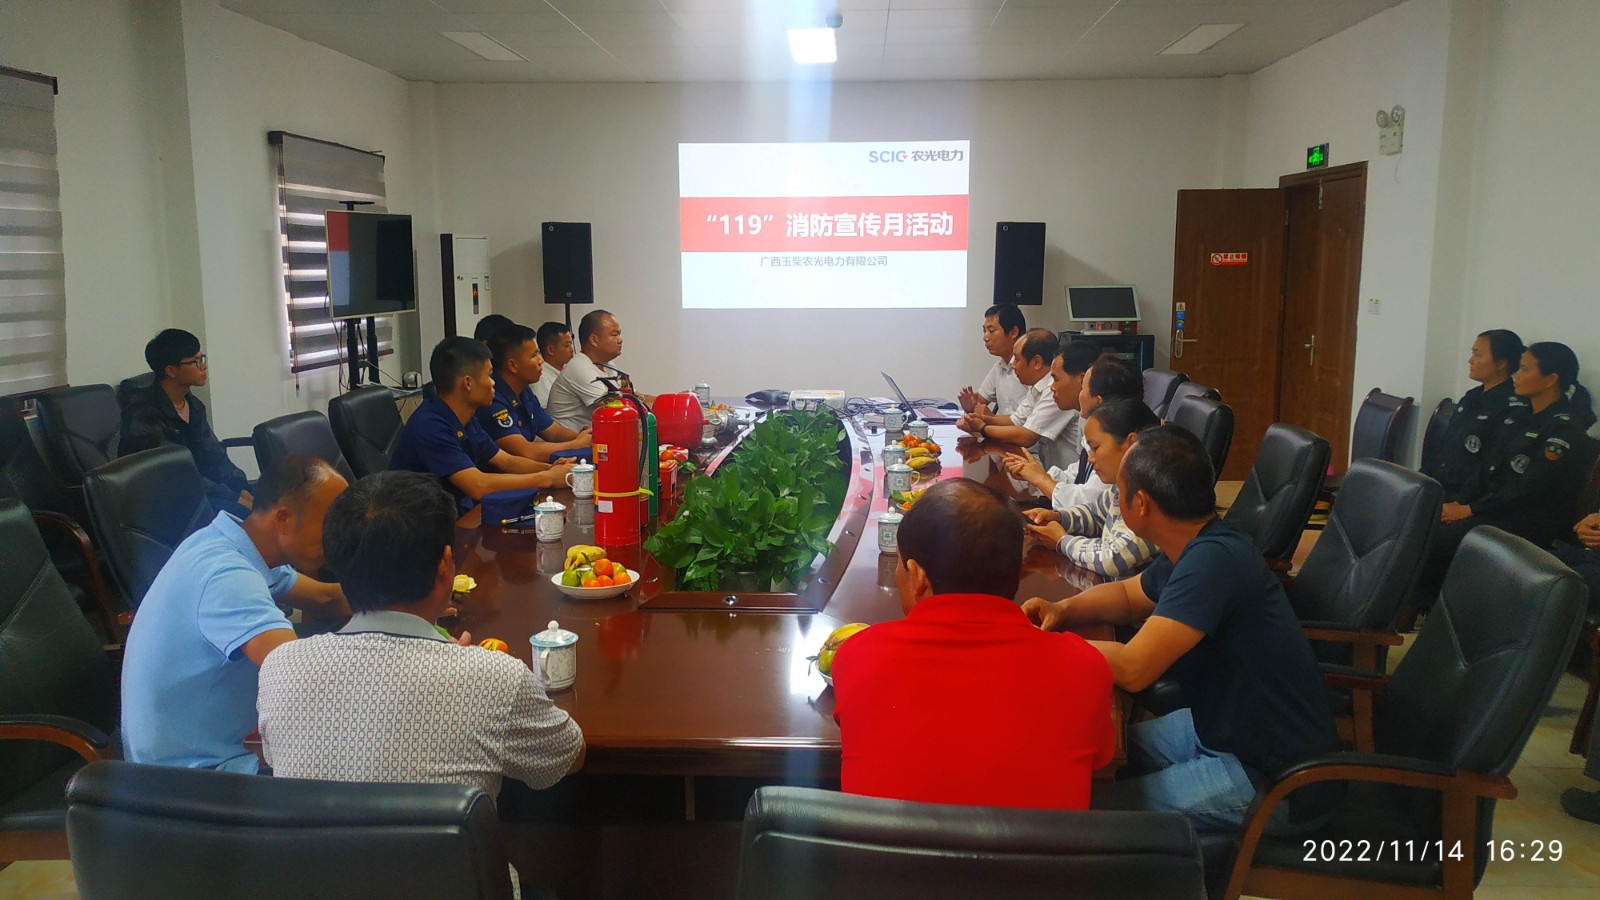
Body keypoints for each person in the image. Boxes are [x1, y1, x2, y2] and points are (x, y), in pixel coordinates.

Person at [1024, 426, 1339, 835]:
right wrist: (1062, 610)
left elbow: (1134, 668)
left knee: (1092, 813)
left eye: (1119, 492)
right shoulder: (1199, 543)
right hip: (1216, 727)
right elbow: (1129, 596)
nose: (1115, 500)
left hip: (1270, 775)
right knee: (1081, 751)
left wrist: (1039, 644)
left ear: (1141, 504)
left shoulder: (1212, 562)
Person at [258, 470, 584, 798]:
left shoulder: (280, 668)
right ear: (445, 564)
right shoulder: (495, 678)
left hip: (317, 835)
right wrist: (474, 669)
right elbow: (568, 758)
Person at [831, 479, 1114, 809]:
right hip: (1041, 846)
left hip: (884, 846)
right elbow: (1099, 760)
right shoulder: (1084, 668)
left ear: (918, 576)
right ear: (1018, 571)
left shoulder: (858, 656)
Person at [120, 456, 348, 773]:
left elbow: (326, 598)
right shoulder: (227, 576)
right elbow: (302, 676)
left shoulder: (230, 543)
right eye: (330, 526)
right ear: (283, 518)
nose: (338, 539)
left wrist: (404, 594)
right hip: (188, 775)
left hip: (209, 749)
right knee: (360, 763)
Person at [1420, 341, 1597, 602]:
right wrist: (1460, 502)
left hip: (1528, 518)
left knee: (1441, 537)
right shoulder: (1517, 417)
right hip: (1496, 508)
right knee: (1424, 522)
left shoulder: (1564, 429)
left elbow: (1529, 488)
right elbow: (1486, 468)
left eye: (1525, 369)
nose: (1516, 375)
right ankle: (1415, 606)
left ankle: (1440, 609)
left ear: (1551, 380)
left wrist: (1470, 509)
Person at [390, 336, 574, 512]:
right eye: (489, 375)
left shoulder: (467, 418)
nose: (493, 383)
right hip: (418, 523)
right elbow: (478, 485)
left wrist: (551, 468)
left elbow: (505, 461)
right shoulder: (430, 425)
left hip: (456, 511)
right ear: (468, 383)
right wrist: (546, 478)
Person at [1022, 399, 1162, 578]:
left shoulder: (1152, 493)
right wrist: (1060, 517)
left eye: (1095, 448)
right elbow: (1096, 513)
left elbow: (1112, 558)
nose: (1090, 458)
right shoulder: (1125, 482)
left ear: (1130, 443)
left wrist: (1062, 541)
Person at [120, 328, 252, 516]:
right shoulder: (143, 414)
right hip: (163, 500)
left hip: (200, 491)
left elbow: (215, 457)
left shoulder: (194, 406)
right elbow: (176, 473)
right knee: (242, 515)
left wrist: (242, 488)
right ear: (171, 371)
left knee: (265, 502)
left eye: (201, 358)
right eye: (194, 361)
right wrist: (232, 497)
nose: (202, 366)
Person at [1421, 329, 1526, 501]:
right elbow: (1446, 448)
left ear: (1501, 363)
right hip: (1439, 486)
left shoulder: (1512, 407)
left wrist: (1461, 503)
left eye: (1478, 355)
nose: (1470, 360)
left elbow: (1491, 467)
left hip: (1466, 498)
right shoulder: (1472, 396)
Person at [1002, 340, 1107, 509]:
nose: (1052, 388)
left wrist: (1040, 479)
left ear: (1082, 381)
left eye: (1056, 379)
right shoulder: (1087, 418)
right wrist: (1034, 474)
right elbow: (1078, 474)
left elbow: (1088, 503)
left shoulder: (1113, 431)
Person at [957, 329, 1080, 472]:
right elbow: (1015, 420)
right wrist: (982, 419)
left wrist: (982, 428)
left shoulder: (1055, 389)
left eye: (1017, 359)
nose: (1013, 365)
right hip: (1052, 473)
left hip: (1070, 478)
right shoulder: (1037, 387)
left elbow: (1026, 437)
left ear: (1037, 362)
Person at [479, 324, 592, 463]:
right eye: (534, 355)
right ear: (512, 365)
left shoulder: (523, 391)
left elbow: (554, 432)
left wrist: (582, 437)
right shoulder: (492, 399)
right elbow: (525, 451)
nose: (541, 360)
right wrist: (576, 444)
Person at [546, 309, 653, 431]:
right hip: (572, 441)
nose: (620, 340)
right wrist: (657, 407)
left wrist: (667, 400)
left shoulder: (608, 366)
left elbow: (636, 397)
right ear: (594, 340)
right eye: (614, 335)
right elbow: (616, 412)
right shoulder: (580, 368)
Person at [958, 304, 1028, 418]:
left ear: (1013, 332)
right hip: (1000, 429)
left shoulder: (1029, 368)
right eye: (984, 331)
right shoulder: (999, 367)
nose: (985, 337)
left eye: (991, 331)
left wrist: (991, 418)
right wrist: (971, 407)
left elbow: (1028, 421)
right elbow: (979, 402)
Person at [533, 320, 574, 407]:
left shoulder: (568, 370)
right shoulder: (540, 378)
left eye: (571, 345)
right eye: (567, 345)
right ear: (551, 350)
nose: (572, 350)